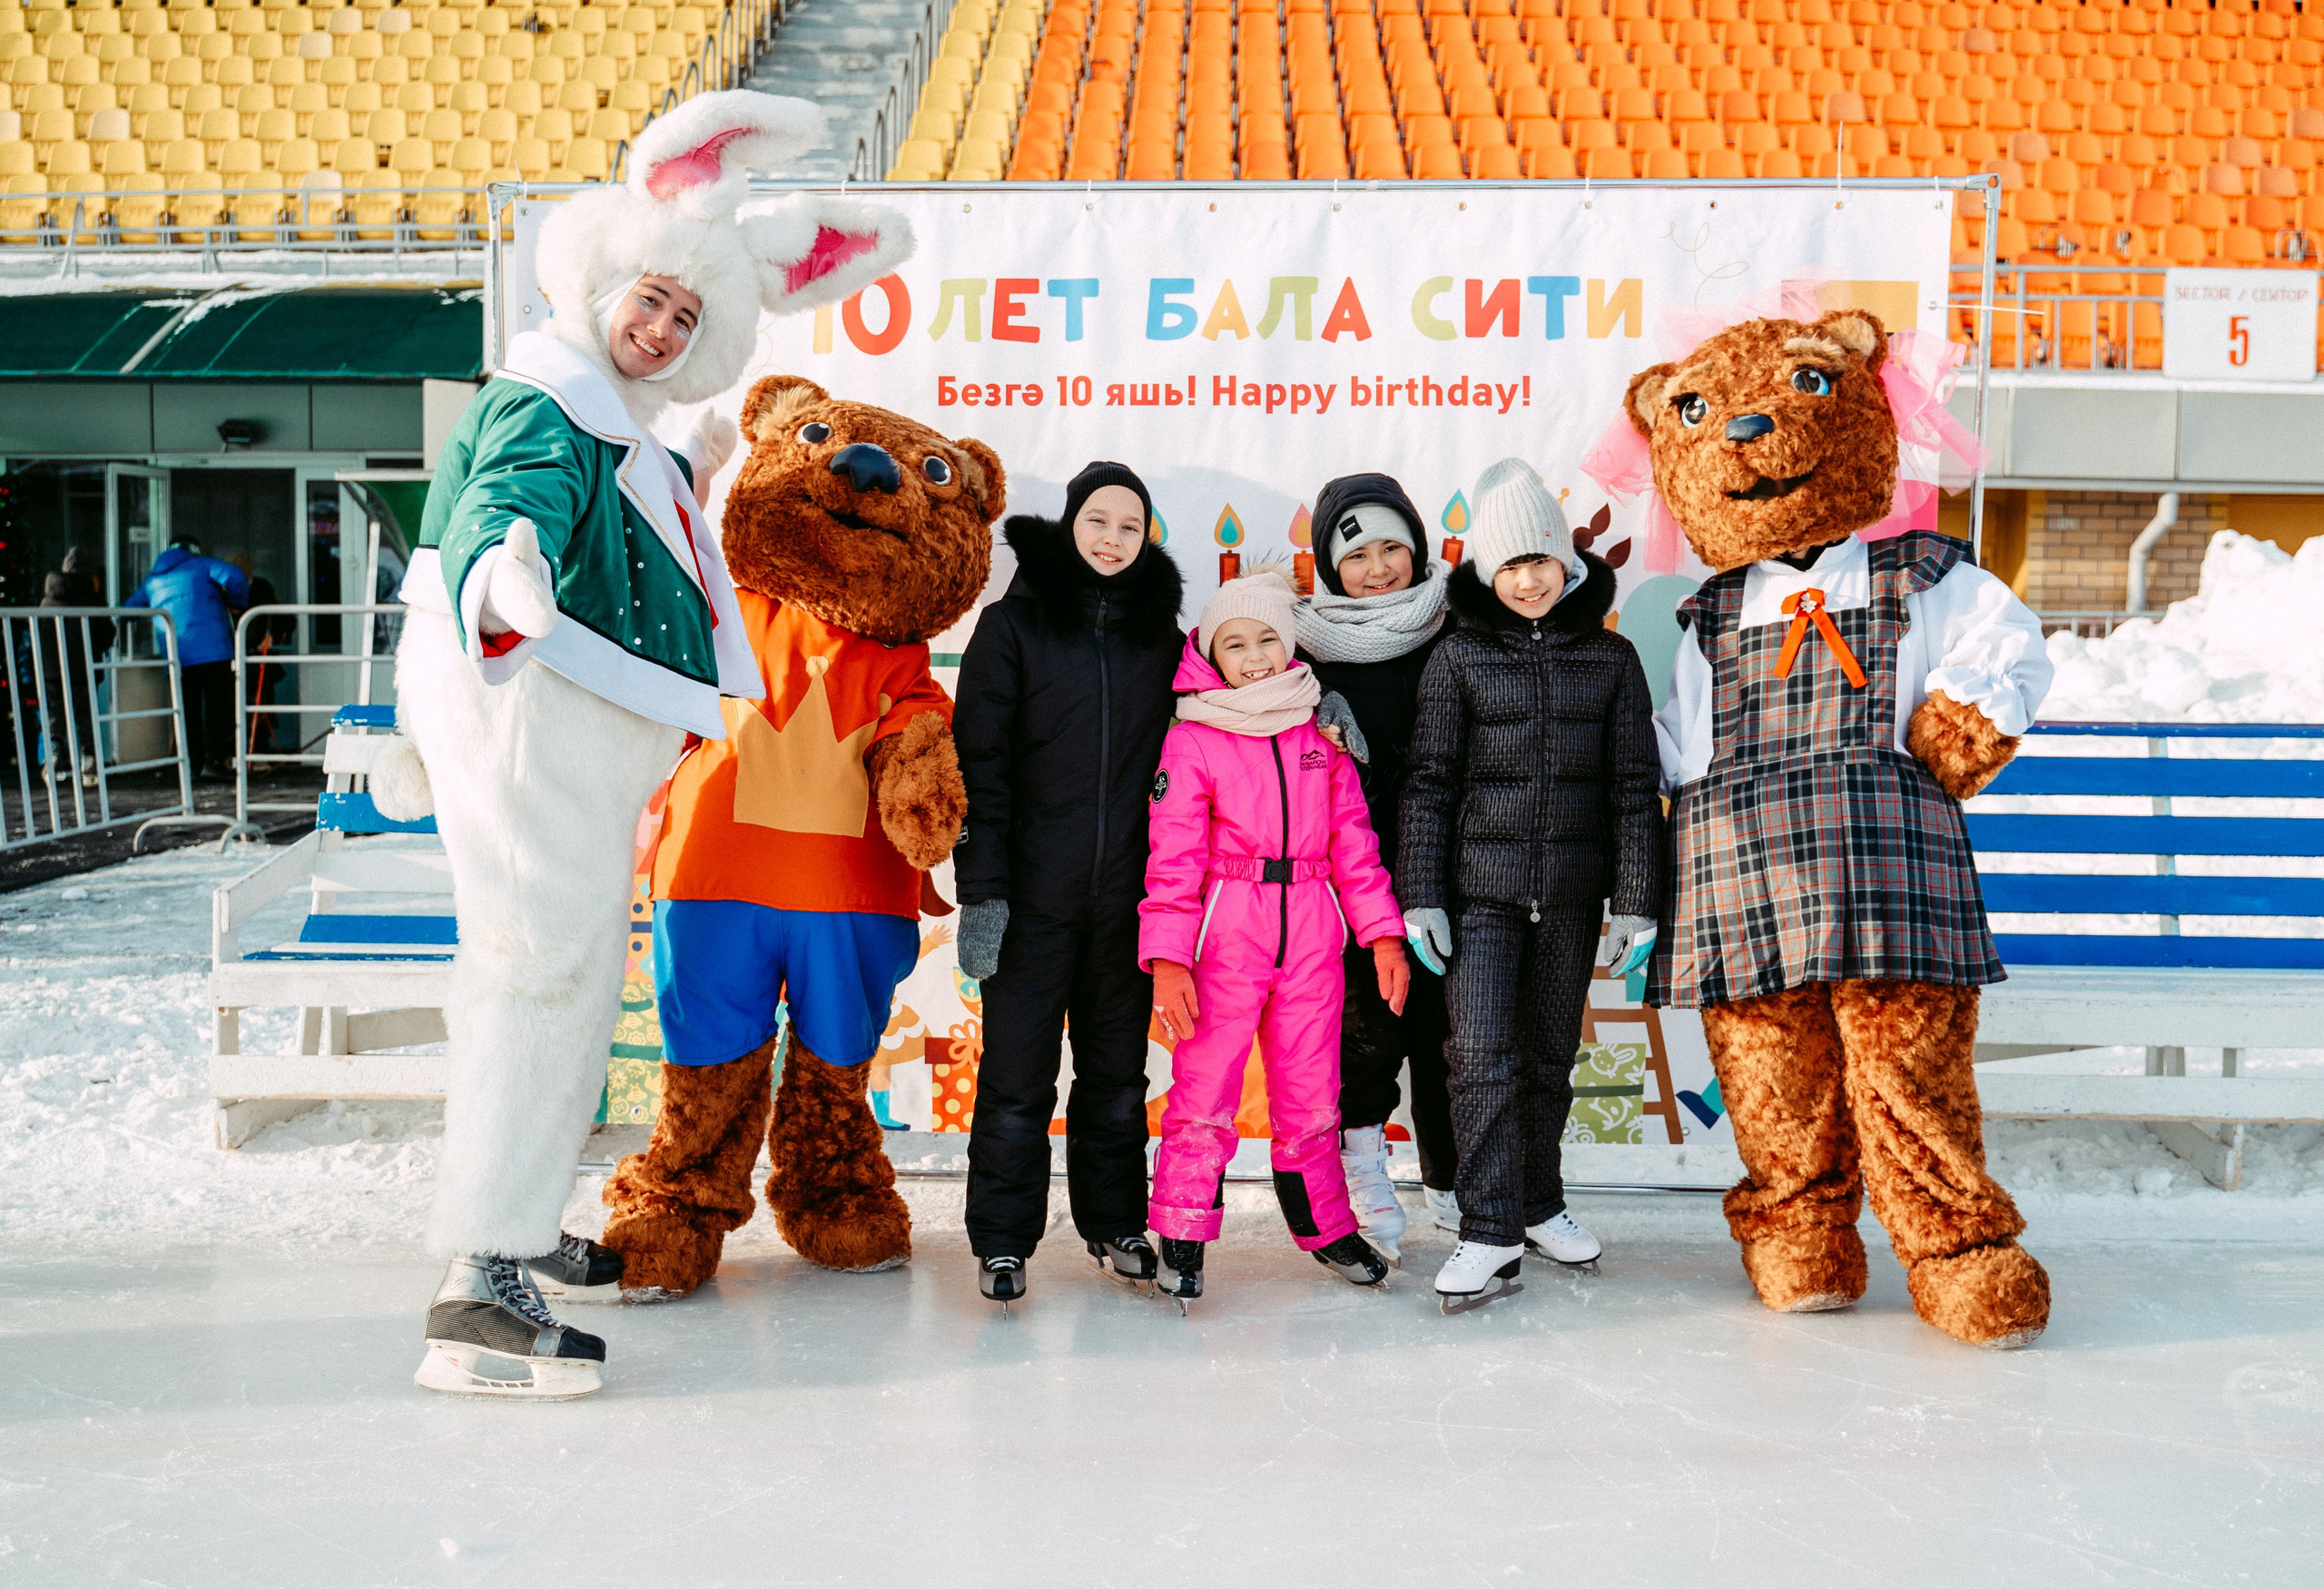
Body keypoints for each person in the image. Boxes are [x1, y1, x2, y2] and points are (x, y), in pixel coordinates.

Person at [376, 90, 911, 1399]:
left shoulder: (616, 414)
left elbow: (640, 492)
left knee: (551, 982)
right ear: (606, 270)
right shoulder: (548, 397)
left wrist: (703, 447)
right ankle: (478, 1285)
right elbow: (517, 497)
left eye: (686, 316)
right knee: (535, 984)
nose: (661, 326)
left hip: (558, 755)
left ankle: (513, 1227)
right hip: (524, 737)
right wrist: (504, 577)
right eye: (653, 299)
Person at [1398, 459, 1665, 1313]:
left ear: (1568, 563)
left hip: (1573, 898)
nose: (1527, 580)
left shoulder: (1613, 659)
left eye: (1540, 561)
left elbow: (1633, 786)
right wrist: (1420, 893)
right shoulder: (1457, 658)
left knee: (1550, 1059)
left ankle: (1539, 1203)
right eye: (1509, 565)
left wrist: (1635, 899)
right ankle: (1487, 1230)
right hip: (1481, 896)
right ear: (1484, 572)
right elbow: (1429, 783)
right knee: (1479, 1057)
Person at [1140, 568, 1411, 1307]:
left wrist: (1382, 935)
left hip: (1314, 933)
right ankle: (1183, 1229)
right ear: (1211, 653)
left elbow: (1354, 843)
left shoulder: (1318, 729)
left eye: (1267, 639)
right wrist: (1168, 959)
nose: (1254, 656)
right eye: (1236, 644)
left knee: (1311, 1089)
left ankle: (1327, 1225)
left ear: (1289, 645)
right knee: (1206, 1086)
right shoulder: (1194, 738)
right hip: (1229, 932)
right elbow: (1173, 858)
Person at [952, 462, 1185, 1307]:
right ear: (1070, 524)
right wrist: (984, 892)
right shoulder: (1010, 629)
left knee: (1118, 1082)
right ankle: (1005, 1241)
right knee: (1017, 1082)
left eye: (1131, 525)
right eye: (1100, 520)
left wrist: (1321, 702)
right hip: (1029, 903)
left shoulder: (1163, 640)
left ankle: (1116, 1223)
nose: (1113, 538)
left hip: (1128, 906)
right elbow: (978, 767)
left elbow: (1237, 707)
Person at [1293, 473, 1457, 1264]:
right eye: (1358, 553)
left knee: (1453, 1035)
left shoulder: (1456, 630)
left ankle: (1457, 1183)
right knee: (1367, 1032)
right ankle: (1363, 1167)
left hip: (1451, 869)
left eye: (1395, 547)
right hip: (1349, 880)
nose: (1380, 567)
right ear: (1329, 564)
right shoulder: (1302, 651)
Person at [123, 536, 247, 782]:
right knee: (218, 709)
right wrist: (236, 603)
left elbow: (128, 610)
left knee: (187, 712)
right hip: (214, 652)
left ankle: (191, 766)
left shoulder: (152, 581)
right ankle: (215, 762)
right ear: (193, 549)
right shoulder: (201, 565)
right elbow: (234, 575)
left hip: (177, 657)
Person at [35, 548, 114, 785]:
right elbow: (107, 634)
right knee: (86, 716)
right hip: (84, 668)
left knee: (56, 716)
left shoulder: (48, 599)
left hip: (51, 669)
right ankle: (89, 767)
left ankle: (52, 759)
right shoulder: (92, 599)